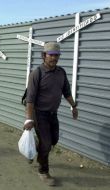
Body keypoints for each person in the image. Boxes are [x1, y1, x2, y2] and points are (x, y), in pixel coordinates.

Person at [23, 42, 78, 186]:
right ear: (44, 56)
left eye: (57, 55)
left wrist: (73, 106)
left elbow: (66, 91)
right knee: (46, 144)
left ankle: (35, 147)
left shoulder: (61, 72)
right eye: (51, 55)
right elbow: (30, 100)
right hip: (39, 114)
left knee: (54, 140)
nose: (54, 58)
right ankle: (43, 171)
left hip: (53, 114)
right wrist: (28, 119)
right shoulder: (37, 73)